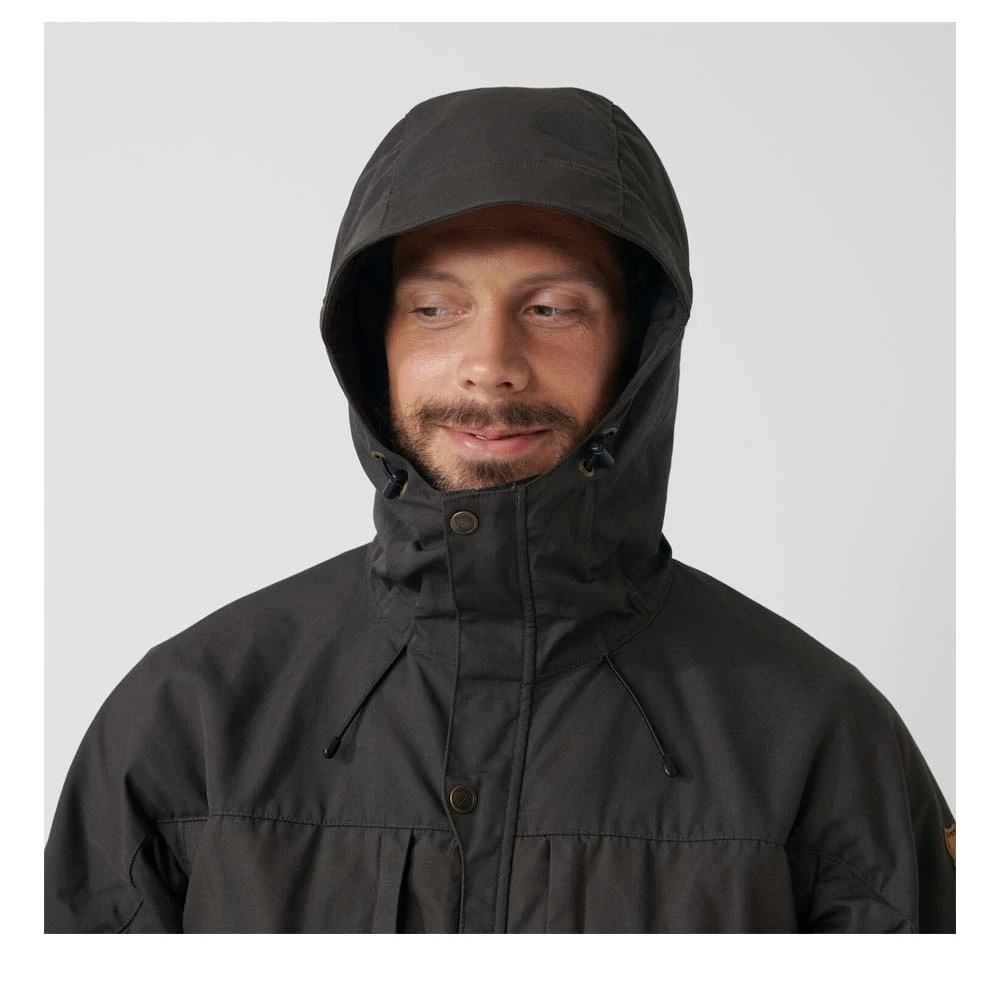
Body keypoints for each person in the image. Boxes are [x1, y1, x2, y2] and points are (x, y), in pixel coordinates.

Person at [45, 85, 956, 933]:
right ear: (373, 343)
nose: (491, 364)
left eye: (552, 308)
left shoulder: (822, 739)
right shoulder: (190, 720)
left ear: (638, 347)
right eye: (434, 308)